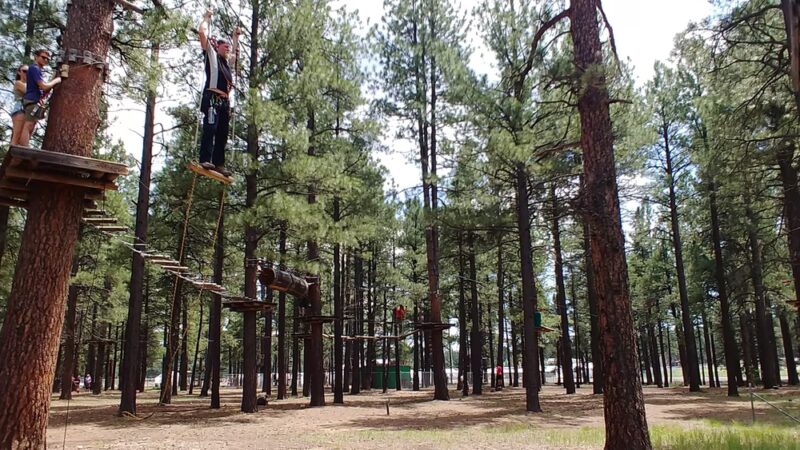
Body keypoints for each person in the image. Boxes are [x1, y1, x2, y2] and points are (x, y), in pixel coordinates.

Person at [197, 8, 240, 177]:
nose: (228, 48)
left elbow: (234, 56)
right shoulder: (212, 54)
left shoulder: (227, 62)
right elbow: (202, 33)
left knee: (222, 133)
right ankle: (205, 159)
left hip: (224, 101)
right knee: (211, 128)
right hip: (212, 98)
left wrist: (235, 38)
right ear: (218, 46)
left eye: (229, 47)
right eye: (226, 46)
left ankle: (218, 163)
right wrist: (206, 18)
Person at [20, 49, 61, 146]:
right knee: (28, 125)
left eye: (47, 59)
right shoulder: (35, 68)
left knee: (32, 125)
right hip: (31, 100)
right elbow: (44, 86)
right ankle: (24, 150)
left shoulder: (37, 70)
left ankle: (25, 147)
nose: (45, 60)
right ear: (36, 57)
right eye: (43, 57)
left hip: (34, 100)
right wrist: (56, 80)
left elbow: (42, 89)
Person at [9, 64, 30, 145]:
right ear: (19, 72)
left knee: (23, 139)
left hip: (27, 110)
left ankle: (17, 157)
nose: (26, 73)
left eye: (29, 72)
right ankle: (10, 156)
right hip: (20, 110)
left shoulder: (31, 85)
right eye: (24, 71)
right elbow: (29, 93)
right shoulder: (18, 83)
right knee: (16, 137)